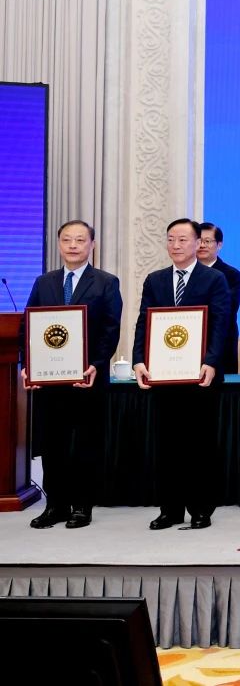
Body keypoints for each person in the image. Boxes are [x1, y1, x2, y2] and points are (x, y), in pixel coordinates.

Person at [20, 220, 122, 529]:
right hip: (50, 380)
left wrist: (96, 365)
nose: (73, 245)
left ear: (92, 245)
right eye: (67, 240)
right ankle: (56, 505)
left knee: (85, 444)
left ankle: (82, 506)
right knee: (52, 444)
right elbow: (28, 326)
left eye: (80, 240)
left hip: (86, 378)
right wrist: (27, 365)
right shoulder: (44, 282)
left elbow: (110, 329)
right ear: (59, 244)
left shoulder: (106, 282)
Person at [132, 218, 231, 530]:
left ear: (198, 243)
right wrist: (138, 360)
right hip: (165, 376)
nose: (176, 245)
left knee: (200, 444)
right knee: (167, 445)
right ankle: (170, 509)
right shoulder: (155, 280)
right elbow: (143, 323)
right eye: (171, 239)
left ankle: (201, 508)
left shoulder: (214, 279)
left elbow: (221, 324)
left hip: (201, 376)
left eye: (183, 240)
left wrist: (211, 362)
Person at [198, 222, 240, 375]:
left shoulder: (231, 274)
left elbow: (228, 309)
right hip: (191, 343)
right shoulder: (185, 273)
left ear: (219, 245)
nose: (202, 245)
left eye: (207, 241)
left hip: (222, 344)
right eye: (199, 241)